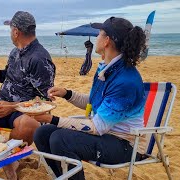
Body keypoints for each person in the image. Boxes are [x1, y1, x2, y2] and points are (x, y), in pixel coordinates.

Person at [33, 17, 147, 179]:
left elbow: (97, 126)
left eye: (99, 34)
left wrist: (53, 119)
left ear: (107, 41)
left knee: (61, 139)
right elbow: (94, 103)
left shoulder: (125, 81)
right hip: (105, 135)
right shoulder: (107, 68)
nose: (96, 38)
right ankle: (62, 177)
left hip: (125, 145)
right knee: (42, 133)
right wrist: (67, 93)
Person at [0, 11, 56, 145]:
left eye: (10, 29)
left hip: (23, 112)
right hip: (2, 103)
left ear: (16, 32)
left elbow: (45, 101)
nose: (10, 33)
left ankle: (9, 157)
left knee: (29, 125)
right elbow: (11, 79)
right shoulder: (15, 52)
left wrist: (13, 106)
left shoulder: (39, 59)